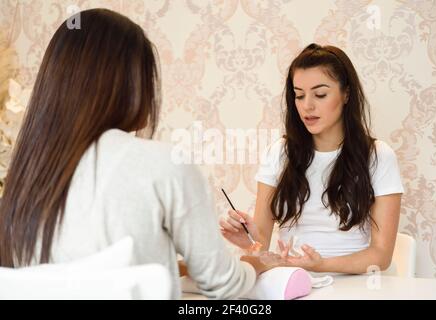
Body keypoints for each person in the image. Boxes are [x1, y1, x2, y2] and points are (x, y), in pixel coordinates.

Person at [0, 8, 268, 299]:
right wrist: (254, 263)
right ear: (130, 83)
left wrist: (179, 267)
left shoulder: (24, 178)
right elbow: (223, 284)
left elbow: (86, 275)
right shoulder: (165, 166)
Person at [220, 43, 404, 274]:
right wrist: (249, 242)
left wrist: (321, 265)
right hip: (293, 281)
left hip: (354, 284)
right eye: (299, 95)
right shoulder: (279, 153)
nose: (307, 106)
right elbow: (262, 244)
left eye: (320, 94)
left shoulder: (378, 156)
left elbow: (381, 255)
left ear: (346, 93)